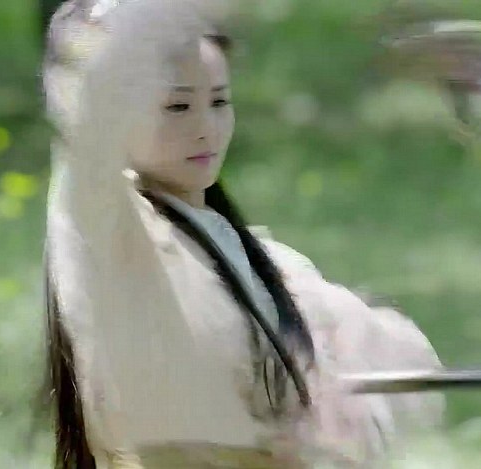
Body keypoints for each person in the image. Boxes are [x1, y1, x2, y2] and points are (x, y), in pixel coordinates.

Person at [42, 1, 444, 467]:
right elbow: (92, 122)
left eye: (219, 101)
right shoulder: (116, 240)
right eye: (177, 106)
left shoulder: (264, 261)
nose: (206, 129)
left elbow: (383, 356)